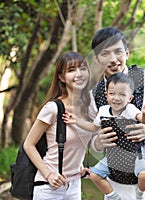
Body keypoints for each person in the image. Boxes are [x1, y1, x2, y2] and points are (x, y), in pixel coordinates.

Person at [89, 27, 145, 200]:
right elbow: (93, 139)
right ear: (96, 58)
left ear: (127, 52)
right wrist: (98, 142)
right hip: (117, 182)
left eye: (118, 52)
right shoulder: (94, 94)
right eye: (105, 54)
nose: (113, 59)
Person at [62, 72, 145, 200]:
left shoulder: (130, 109)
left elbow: (143, 121)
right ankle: (113, 196)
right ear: (106, 95)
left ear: (130, 98)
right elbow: (93, 127)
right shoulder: (103, 111)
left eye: (122, 94)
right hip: (113, 156)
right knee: (94, 175)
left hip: (134, 155)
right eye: (112, 93)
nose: (116, 98)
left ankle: (140, 194)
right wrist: (76, 121)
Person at [23, 52, 94, 200]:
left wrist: (78, 167)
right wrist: (49, 174)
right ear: (61, 77)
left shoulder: (89, 106)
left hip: (74, 184)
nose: (79, 74)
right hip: (49, 186)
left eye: (82, 68)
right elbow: (28, 144)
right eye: (71, 70)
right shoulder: (53, 108)